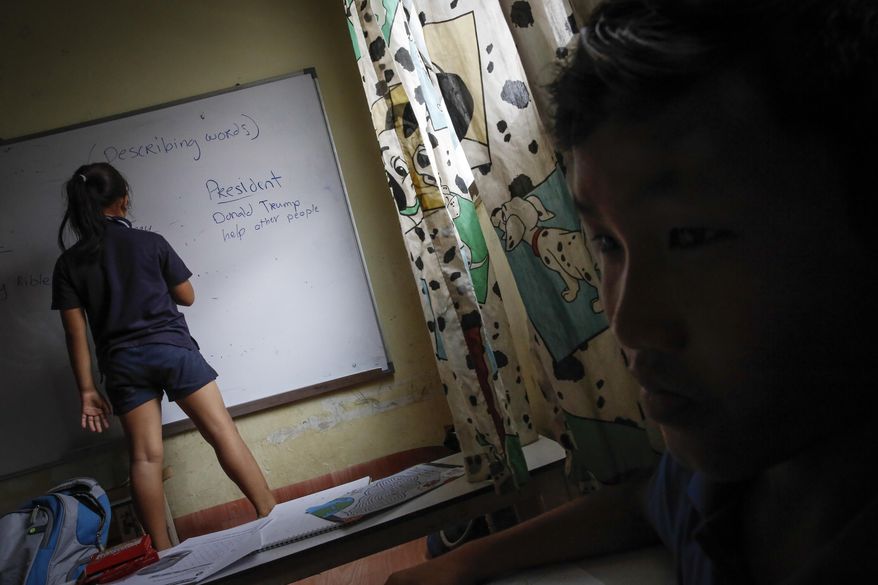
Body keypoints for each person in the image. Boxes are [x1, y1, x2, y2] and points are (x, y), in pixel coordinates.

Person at [386, 0, 878, 583]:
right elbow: (644, 503)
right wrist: (466, 562)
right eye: (608, 243)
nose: (628, 321)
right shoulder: (738, 477)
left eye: (692, 237)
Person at [52, 162, 276, 550]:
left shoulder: (68, 264)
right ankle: (270, 513)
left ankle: (163, 552)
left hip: (122, 364)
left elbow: (75, 334)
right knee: (222, 432)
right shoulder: (149, 242)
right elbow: (186, 296)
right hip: (172, 350)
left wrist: (87, 390)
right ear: (123, 200)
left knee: (144, 459)